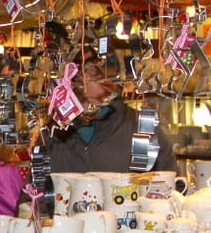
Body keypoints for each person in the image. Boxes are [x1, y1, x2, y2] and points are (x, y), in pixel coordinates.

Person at [48, 46, 178, 173]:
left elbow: (171, 184)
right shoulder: (52, 132)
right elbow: (36, 189)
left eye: (111, 72)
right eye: (95, 74)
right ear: (71, 81)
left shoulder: (140, 126)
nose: (106, 80)